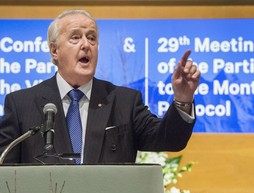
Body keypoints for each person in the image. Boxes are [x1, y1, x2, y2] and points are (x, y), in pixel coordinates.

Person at [0, 9, 200, 165]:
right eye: (75, 37)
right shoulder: (21, 105)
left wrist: (183, 99)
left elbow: (168, 140)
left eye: (92, 37)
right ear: (54, 50)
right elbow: (5, 171)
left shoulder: (124, 101)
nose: (86, 44)